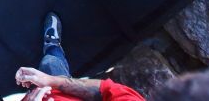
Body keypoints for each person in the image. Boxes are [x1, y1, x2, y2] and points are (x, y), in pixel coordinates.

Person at [15, 12, 145, 101]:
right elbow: (105, 90)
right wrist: (50, 80)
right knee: (50, 62)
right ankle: (53, 45)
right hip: (57, 91)